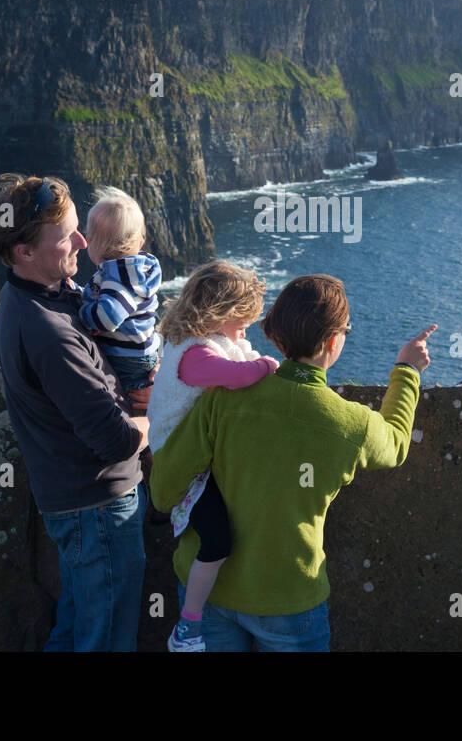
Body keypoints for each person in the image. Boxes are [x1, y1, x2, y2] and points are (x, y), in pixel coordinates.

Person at [151, 272, 436, 651]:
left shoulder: (220, 400)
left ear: (274, 334)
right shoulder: (352, 425)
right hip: (286, 600)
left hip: (208, 596)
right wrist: (406, 371)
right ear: (334, 340)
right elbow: (397, 442)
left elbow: (163, 488)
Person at [0, 173, 151, 652]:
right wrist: (160, 415)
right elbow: (116, 440)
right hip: (98, 507)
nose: (83, 241)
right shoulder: (50, 332)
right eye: (67, 237)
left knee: (77, 629)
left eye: (80, 228)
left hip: (74, 503)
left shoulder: (28, 295)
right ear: (24, 252)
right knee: (106, 640)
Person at [148, 260, 280, 651]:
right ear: (217, 314)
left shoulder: (202, 341)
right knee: (218, 541)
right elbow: (240, 375)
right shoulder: (195, 355)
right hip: (181, 463)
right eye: (242, 320)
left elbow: (238, 355)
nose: (248, 328)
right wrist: (269, 365)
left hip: (195, 455)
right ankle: (188, 624)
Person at [78, 186, 163, 404]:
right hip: (142, 351)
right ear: (140, 242)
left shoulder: (120, 279)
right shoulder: (136, 270)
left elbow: (107, 318)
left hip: (128, 360)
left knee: (129, 402)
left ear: (91, 243)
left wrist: (83, 312)